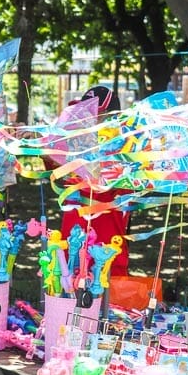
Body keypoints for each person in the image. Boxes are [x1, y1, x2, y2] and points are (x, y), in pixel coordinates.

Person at [59, 86, 131, 276]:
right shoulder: (75, 147)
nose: (85, 119)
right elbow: (54, 166)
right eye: (82, 112)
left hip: (104, 252)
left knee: (104, 278)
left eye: (92, 113)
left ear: (111, 117)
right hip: (72, 248)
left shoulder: (123, 151)